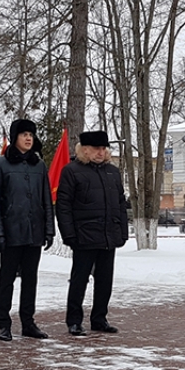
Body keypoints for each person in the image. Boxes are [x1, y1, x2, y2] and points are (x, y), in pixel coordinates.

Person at [0, 119, 55, 341]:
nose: (28, 138)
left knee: (30, 279)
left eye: (31, 135)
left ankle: (28, 322)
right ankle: (3, 323)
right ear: (15, 137)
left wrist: (49, 230)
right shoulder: (1, 165)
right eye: (24, 134)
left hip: (33, 232)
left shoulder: (39, 165)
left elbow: (46, 199)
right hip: (10, 232)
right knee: (6, 279)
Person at [56, 130, 128, 336]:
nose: (101, 152)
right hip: (84, 235)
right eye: (97, 149)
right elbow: (63, 205)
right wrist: (69, 234)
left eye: (104, 149)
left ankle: (99, 318)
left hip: (108, 235)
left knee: (105, 280)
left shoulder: (112, 172)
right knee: (79, 280)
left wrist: (122, 231)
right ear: (84, 150)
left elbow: (120, 204)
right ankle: (74, 320)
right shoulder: (72, 171)